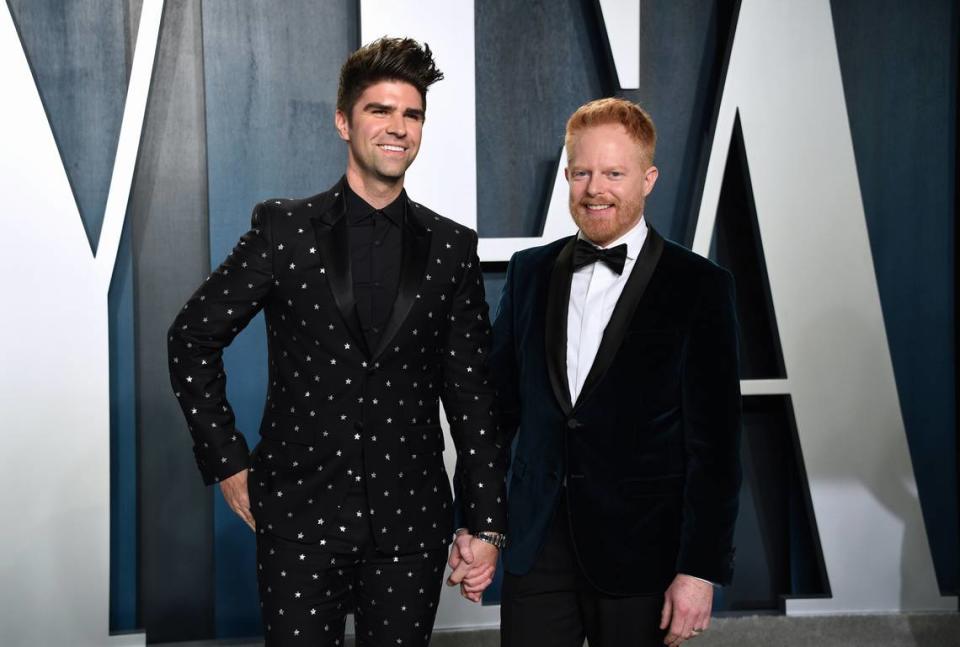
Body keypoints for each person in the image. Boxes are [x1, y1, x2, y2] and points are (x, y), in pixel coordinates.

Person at [167, 37, 506, 647]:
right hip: (298, 516)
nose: (398, 128)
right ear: (343, 121)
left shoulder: (451, 247)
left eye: (412, 114)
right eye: (380, 110)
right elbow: (191, 337)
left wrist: (484, 522)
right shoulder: (284, 229)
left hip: (411, 525)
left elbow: (473, 396)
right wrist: (226, 460)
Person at [485, 97, 742, 647]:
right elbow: (496, 413)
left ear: (648, 179)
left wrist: (699, 570)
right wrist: (480, 523)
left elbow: (716, 448)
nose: (594, 188)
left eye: (613, 173)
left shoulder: (699, 286)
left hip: (642, 555)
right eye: (581, 172)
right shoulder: (529, 272)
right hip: (537, 549)